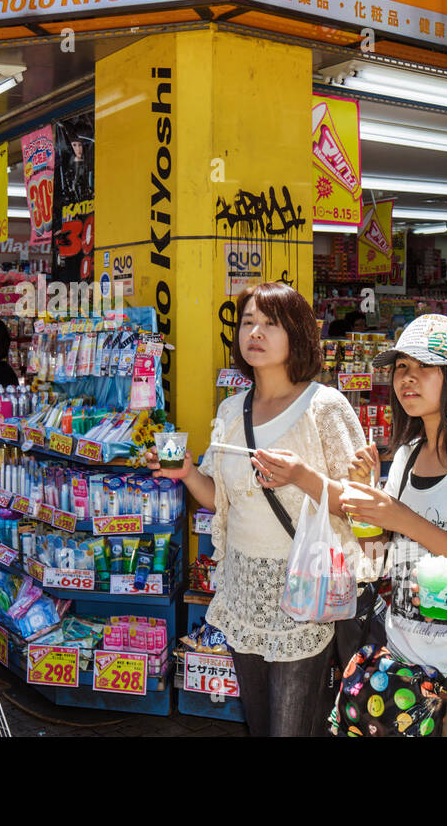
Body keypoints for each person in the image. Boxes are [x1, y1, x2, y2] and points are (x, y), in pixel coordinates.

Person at [146, 281, 369, 736]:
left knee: (291, 727)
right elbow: (220, 500)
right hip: (244, 591)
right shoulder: (232, 410)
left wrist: (300, 476)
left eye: (270, 323)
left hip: (305, 592)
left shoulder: (325, 407)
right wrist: (187, 473)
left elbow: (363, 509)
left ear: (298, 334)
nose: (256, 332)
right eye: (248, 321)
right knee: (260, 723)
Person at [339, 314, 447, 735]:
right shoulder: (405, 456)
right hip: (402, 664)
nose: (408, 378)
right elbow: (392, 551)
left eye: (425, 367)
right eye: (402, 367)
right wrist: (370, 505)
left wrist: (401, 516)